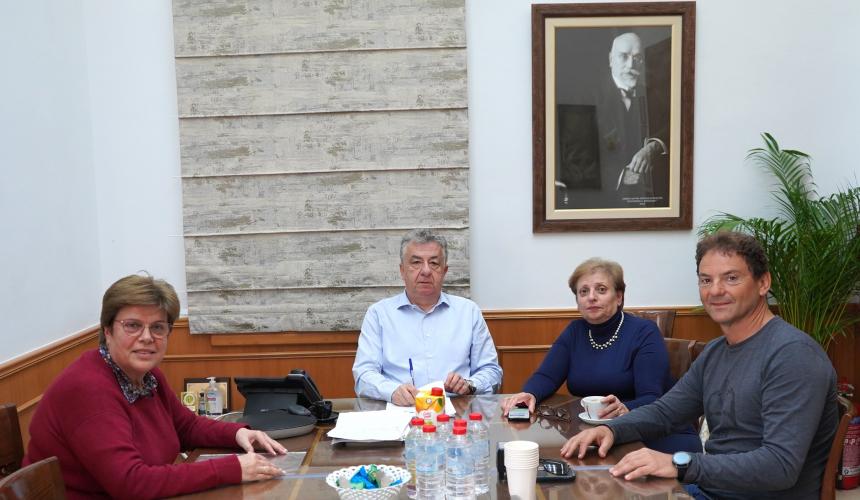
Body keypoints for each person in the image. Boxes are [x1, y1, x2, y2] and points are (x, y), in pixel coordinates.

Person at [561, 232, 839, 499]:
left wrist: (679, 463)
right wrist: (611, 430)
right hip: (709, 491)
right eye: (706, 280)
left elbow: (780, 467)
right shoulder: (716, 351)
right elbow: (665, 412)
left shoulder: (793, 355)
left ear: (763, 283)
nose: (715, 290)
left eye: (731, 278)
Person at [24, 274, 288, 499]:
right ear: (107, 330)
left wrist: (236, 434)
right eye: (133, 326)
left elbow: (185, 427)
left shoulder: (147, 376)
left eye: (158, 327)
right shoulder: (87, 389)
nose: (147, 337)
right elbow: (130, 482)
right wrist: (231, 468)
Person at [500, 258, 701, 454]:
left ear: (619, 297)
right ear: (577, 301)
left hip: (655, 435)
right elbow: (547, 376)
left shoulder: (644, 332)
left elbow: (651, 398)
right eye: (583, 291)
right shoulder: (575, 331)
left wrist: (624, 408)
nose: (591, 297)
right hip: (594, 433)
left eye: (601, 290)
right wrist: (530, 394)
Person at [352, 229, 502, 406]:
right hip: (399, 411)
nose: (425, 271)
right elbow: (363, 374)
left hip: (457, 412)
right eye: (416, 262)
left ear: (444, 271)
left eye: (434, 263)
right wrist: (392, 391)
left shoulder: (468, 312)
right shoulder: (379, 314)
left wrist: (470, 385)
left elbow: (491, 371)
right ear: (402, 270)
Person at [557, 31, 670, 209]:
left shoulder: (654, 96)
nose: (631, 64)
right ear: (611, 59)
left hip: (649, 203)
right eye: (623, 56)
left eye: (637, 58)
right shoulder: (584, 98)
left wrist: (653, 146)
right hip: (602, 204)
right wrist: (622, 176)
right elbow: (573, 161)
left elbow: (674, 128)